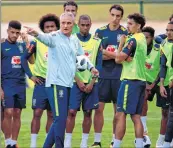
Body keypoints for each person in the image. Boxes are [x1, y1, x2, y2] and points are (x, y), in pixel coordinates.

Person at [24, 12, 99, 148]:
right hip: (55, 84)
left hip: (68, 84)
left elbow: (82, 57)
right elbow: (44, 38)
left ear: (73, 24)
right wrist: (35, 33)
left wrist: (92, 67)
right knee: (60, 119)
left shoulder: (74, 40)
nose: (65, 25)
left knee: (61, 119)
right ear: (60, 23)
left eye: (68, 23)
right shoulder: (54, 36)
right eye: (63, 22)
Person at [90, 4, 127, 148]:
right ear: (109, 14)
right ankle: (97, 141)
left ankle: (113, 141)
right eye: (113, 15)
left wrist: (107, 53)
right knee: (98, 109)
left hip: (119, 76)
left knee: (118, 111)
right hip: (102, 76)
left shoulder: (125, 33)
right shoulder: (100, 31)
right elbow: (97, 55)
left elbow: (124, 56)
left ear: (121, 17)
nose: (115, 18)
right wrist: (115, 55)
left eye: (118, 16)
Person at [21, 13, 60, 148]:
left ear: (57, 27)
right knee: (37, 113)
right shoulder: (36, 42)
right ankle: (33, 144)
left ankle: (47, 144)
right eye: (47, 27)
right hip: (41, 82)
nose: (50, 29)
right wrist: (31, 76)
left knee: (51, 115)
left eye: (52, 26)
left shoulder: (61, 42)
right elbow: (23, 59)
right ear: (43, 29)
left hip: (55, 83)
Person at [64, 14, 102, 148]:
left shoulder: (97, 41)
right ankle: (67, 142)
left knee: (88, 113)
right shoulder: (71, 40)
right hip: (75, 83)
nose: (85, 27)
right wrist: (78, 80)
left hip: (92, 83)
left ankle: (84, 143)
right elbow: (68, 63)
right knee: (72, 111)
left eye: (87, 25)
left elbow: (99, 64)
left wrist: (92, 82)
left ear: (90, 25)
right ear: (78, 25)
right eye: (82, 25)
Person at [1, 20, 38, 148]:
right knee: (8, 112)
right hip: (6, 83)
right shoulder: (1, 46)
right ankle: (7, 142)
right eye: (12, 32)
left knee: (17, 113)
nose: (15, 35)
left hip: (20, 84)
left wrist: (27, 42)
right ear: (7, 31)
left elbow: (32, 61)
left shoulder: (22, 46)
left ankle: (14, 143)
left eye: (17, 33)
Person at [112, 13, 147, 147]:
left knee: (120, 114)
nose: (127, 26)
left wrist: (121, 43)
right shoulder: (142, 38)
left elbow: (117, 59)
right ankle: (139, 145)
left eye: (131, 24)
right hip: (140, 81)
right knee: (136, 116)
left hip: (130, 81)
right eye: (127, 23)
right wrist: (124, 57)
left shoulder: (132, 40)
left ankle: (116, 145)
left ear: (138, 26)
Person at [141, 26, 169, 147]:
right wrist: (146, 83)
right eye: (143, 37)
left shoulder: (159, 48)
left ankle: (160, 140)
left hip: (159, 82)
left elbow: (162, 67)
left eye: (146, 38)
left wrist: (153, 83)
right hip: (145, 82)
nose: (144, 40)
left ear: (152, 38)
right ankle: (144, 135)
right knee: (142, 105)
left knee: (165, 112)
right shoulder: (139, 48)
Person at [160, 21, 173, 147]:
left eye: (171, 30)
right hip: (169, 84)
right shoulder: (164, 44)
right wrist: (162, 84)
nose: (168, 32)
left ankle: (167, 143)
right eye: (167, 30)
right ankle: (167, 142)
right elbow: (163, 66)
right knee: (169, 113)